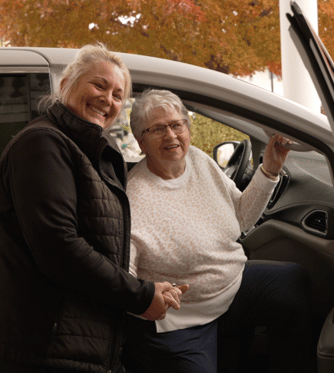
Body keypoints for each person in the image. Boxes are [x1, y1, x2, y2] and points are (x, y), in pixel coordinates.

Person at [0, 44, 186, 373]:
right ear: (66, 84)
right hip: (48, 345)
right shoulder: (43, 144)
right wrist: (139, 295)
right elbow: (59, 246)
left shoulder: (91, 151)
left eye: (118, 94)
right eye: (99, 85)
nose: (108, 99)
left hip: (81, 340)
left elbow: (103, 242)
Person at [122, 89, 313, 373]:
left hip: (232, 289)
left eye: (177, 125)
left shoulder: (198, 161)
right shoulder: (134, 196)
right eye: (158, 129)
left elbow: (241, 216)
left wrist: (270, 170)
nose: (172, 136)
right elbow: (122, 276)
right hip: (180, 321)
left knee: (292, 282)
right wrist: (144, 299)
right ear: (141, 141)